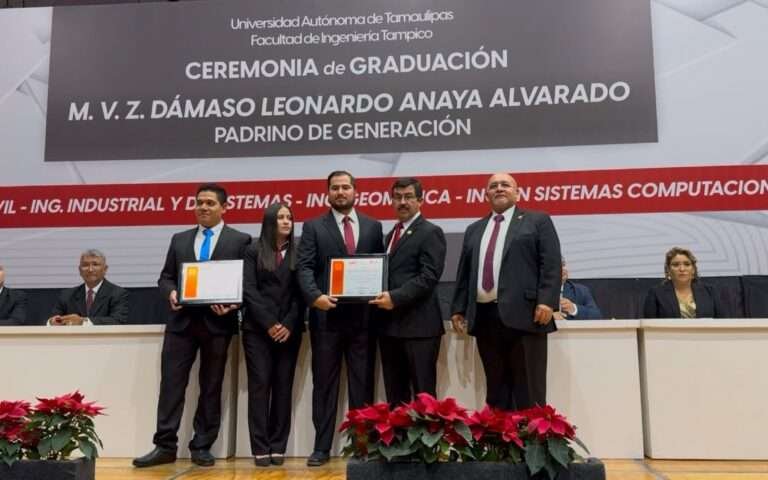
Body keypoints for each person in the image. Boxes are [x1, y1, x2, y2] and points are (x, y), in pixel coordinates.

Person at [133, 183, 251, 468]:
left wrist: (235, 303)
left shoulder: (241, 240)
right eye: (199, 202)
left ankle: (201, 445)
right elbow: (165, 278)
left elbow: (248, 283)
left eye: (210, 203)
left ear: (225, 207)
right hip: (181, 324)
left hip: (218, 324)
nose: (203, 207)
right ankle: (164, 446)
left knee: (211, 386)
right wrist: (171, 292)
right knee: (171, 385)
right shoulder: (179, 239)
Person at [451, 173, 561, 410]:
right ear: (486, 194)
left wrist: (547, 301)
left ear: (517, 192)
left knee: (529, 390)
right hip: (485, 317)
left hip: (527, 315)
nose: (499, 188)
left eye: (505, 184)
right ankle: (500, 445)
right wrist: (459, 308)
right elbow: (465, 272)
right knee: (496, 389)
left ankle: (531, 445)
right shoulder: (474, 229)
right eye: (493, 186)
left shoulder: (537, 221)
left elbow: (550, 263)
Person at [297, 171, 383, 466]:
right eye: (335, 188)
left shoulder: (373, 226)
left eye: (346, 187)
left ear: (356, 191)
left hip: (363, 319)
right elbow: (304, 267)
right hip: (326, 319)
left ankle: (363, 447)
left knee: (362, 385)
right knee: (324, 385)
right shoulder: (313, 227)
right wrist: (314, 296)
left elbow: (378, 266)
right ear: (327, 193)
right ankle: (321, 447)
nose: (341, 192)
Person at [370, 177, 446, 405]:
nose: (402, 202)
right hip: (390, 327)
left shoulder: (431, 232)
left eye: (408, 197)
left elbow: (429, 276)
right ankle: (398, 442)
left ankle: (425, 442)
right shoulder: (391, 233)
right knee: (395, 396)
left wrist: (395, 297)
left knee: (423, 396)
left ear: (420, 201)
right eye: (397, 197)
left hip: (420, 328)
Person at [241, 203, 304, 467]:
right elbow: (249, 291)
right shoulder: (253, 250)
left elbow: (303, 294)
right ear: (270, 221)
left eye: (289, 217)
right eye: (280, 217)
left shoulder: (300, 253)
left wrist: (287, 323)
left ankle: (278, 445)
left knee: (282, 387)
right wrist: (269, 323)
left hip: (289, 330)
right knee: (259, 387)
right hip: (257, 330)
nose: (286, 221)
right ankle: (260, 446)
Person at [47, 250, 128, 326]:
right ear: (79, 270)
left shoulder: (118, 293)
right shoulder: (67, 295)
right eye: (85, 265)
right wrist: (53, 321)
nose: (90, 269)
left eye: (95, 264)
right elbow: (53, 320)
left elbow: (118, 320)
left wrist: (83, 321)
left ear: (105, 269)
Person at [643, 247, 725, 318]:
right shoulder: (656, 294)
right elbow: (649, 328)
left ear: (693, 270)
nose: (682, 269)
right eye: (675, 265)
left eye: (687, 264)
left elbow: (723, 323)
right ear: (668, 270)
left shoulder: (710, 292)